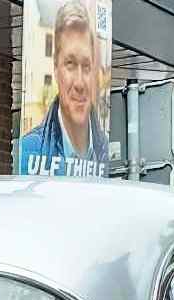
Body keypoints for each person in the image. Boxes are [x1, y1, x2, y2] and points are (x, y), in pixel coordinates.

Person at [18, 0, 110, 178]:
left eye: (86, 66)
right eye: (70, 64)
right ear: (55, 69)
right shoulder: (31, 149)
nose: (80, 83)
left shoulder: (103, 148)